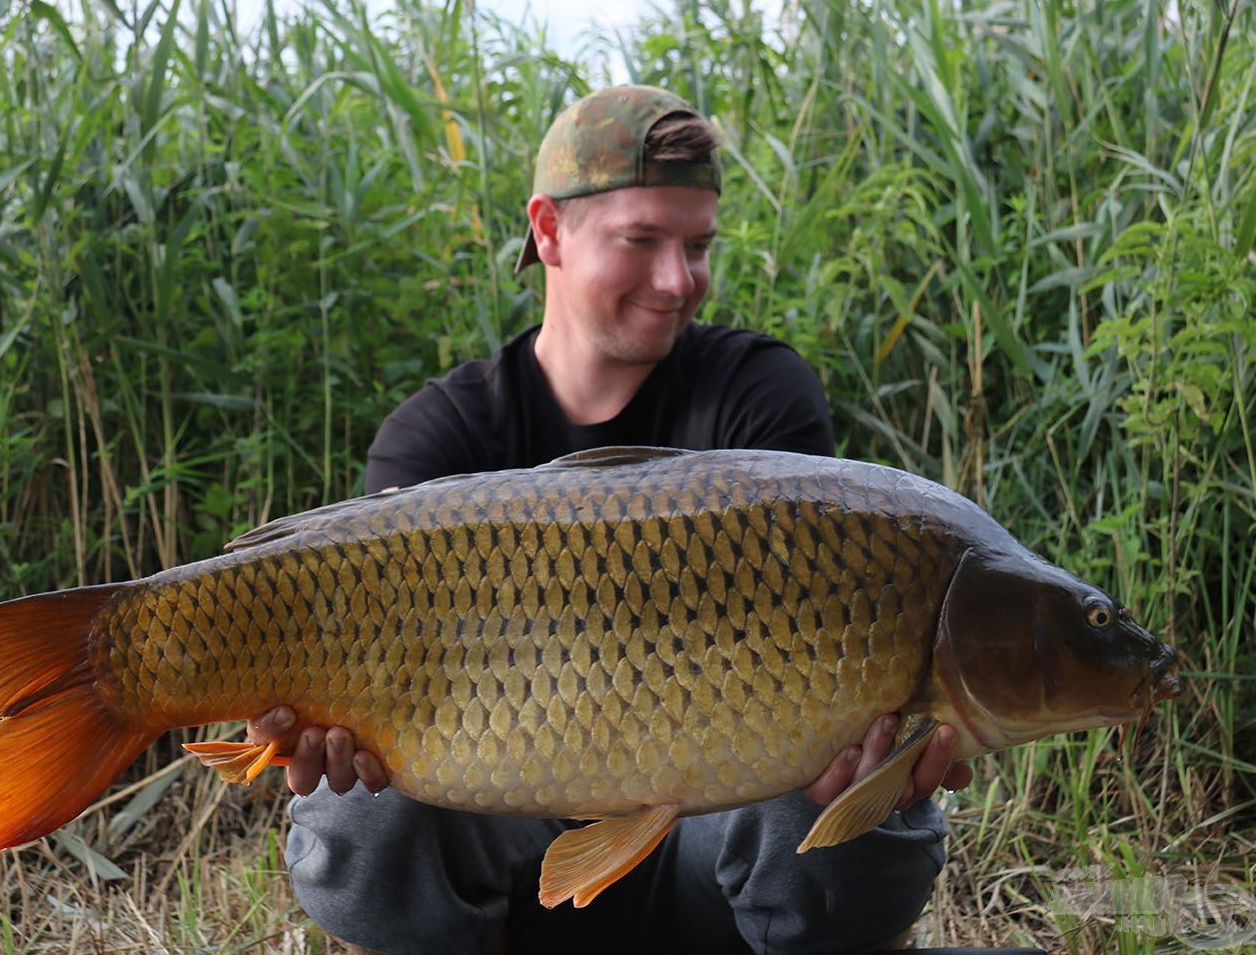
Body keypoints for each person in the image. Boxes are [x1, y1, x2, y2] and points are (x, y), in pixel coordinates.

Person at [247, 85, 971, 954]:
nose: (679, 281)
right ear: (548, 230)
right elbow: (350, 725)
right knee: (361, 814)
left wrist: (883, 746)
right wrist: (323, 734)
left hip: (719, 866)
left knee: (843, 764)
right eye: (642, 241)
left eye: (698, 245)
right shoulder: (438, 437)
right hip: (512, 878)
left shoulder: (757, 397)